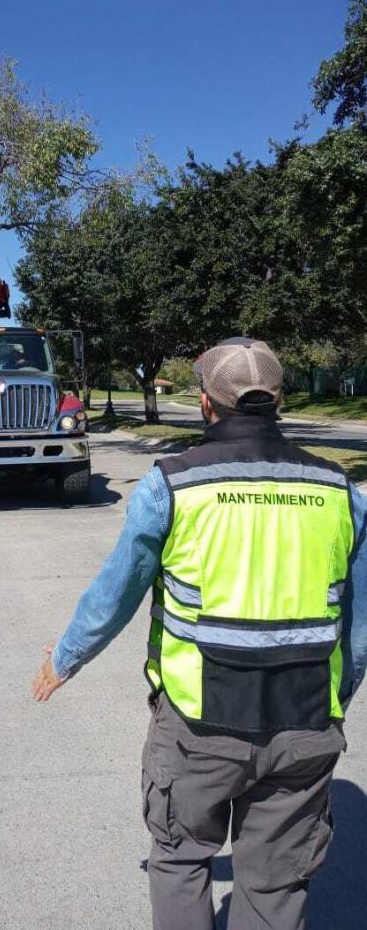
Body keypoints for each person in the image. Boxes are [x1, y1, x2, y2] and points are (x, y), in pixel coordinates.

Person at [32, 338, 367, 930]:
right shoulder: (339, 491)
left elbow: (117, 594)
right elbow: (359, 627)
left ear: (208, 406)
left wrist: (65, 659)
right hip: (306, 721)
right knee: (274, 883)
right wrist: (337, 698)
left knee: (182, 859)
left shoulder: (174, 484)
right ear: (279, 400)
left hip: (195, 725)